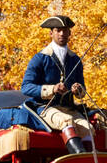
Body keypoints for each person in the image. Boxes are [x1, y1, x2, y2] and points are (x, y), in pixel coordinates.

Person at [21, 14, 92, 151]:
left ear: (69, 33)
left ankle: (89, 162)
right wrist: (52, 89)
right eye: (58, 30)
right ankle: (78, 159)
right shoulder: (40, 58)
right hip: (45, 108)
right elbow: (26, 87)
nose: (62, 33)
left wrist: (78, 89)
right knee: (66, 120)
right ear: (51, 33)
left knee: (88, 127)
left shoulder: (75, 59)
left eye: (65, 30)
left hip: (69, 108)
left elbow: (82, 92)